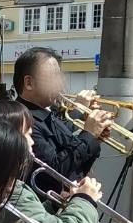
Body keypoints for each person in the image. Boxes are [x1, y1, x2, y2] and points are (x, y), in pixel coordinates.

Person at [0, 99, 102, 223]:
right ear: (6, 138)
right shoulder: (6, 195)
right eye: (27, 134)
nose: (32, 141)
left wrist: (57, 205)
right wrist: (85, 201)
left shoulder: (6, 189)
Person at [13, 47, 108, 184]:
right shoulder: (23, 121)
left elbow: (74, 167)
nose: (60, 84)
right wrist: (89, 135)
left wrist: (95, 139)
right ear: (29, 83)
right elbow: (54, 170)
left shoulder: (49, 113)